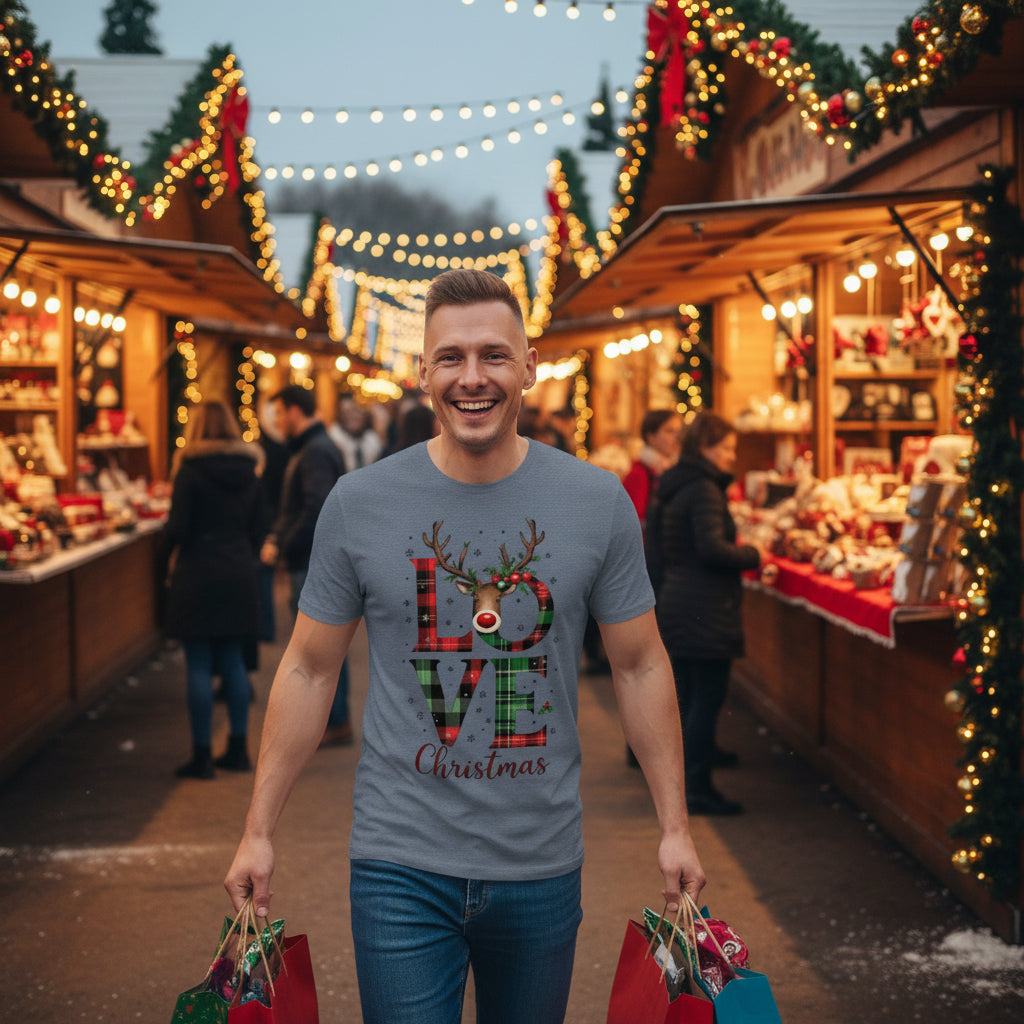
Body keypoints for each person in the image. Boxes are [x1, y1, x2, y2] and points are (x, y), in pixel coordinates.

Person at [225, 268, 705, 1024]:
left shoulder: (595, 502)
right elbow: (310, 669)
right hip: (399, 862)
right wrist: (257, 831)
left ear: (528, 369)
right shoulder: (360, 504)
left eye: (493, 356)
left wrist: (675, 826)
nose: (471, 378)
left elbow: (640, 662)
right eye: (450, 357)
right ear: (423, 373)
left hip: (541, 860)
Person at [646, 411, 761, 816]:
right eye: (726, 447)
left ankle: (690, 779)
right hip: (703, 606)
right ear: (705, 448)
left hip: (682, 599)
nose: (732, 456)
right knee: (705, 699)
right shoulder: (704, 490)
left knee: (693, 697)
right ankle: (696, 787)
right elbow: (712, 548)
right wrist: (753, 554)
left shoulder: (681, 482)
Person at [164, 400, 266, 778]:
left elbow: (177, 528)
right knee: (235, 662)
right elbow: (259, 528)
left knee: (199, 663)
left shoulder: (189, 471)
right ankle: (238, 750)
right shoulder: (250, 471)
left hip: (197, 573)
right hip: (239, 572)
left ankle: (202, 755)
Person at [260, 384, 352, 747]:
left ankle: (334, 721)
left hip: (313, 562)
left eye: (280, 413)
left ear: (295, 410)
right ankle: (333, 720)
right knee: (321, 649)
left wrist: (287, 545)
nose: (278, 421)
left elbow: (316, 509)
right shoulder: (317, 447)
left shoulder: (314, 452)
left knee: (318, 652)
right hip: (314, 560)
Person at [622, 408, 683, 531]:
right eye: (670, 431)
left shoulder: (676, 469)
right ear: (651, 437)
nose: (677, 438)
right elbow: (632, 523)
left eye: (679, 431)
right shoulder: (639, 474)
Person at [327, 393, 384, 473]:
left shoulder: (372, 439)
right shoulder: (333, 440)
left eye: (354, 411)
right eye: (345, 412)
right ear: (339, 416)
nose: (351, 416)